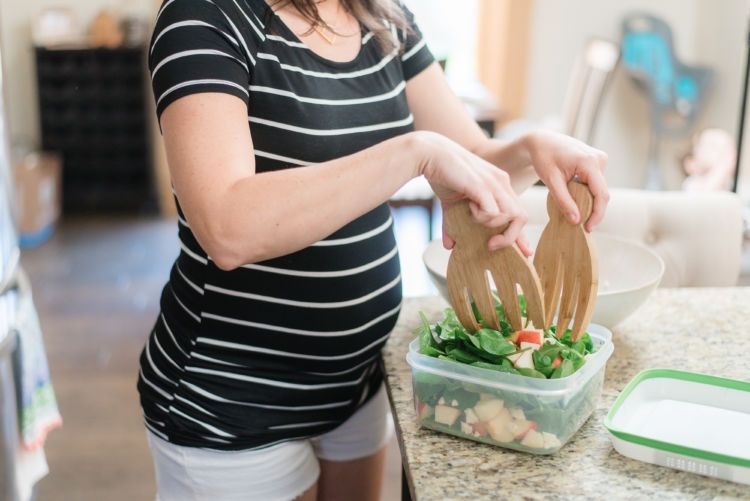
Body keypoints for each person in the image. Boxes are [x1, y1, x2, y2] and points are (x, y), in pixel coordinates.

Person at [137, 0, 610, 500]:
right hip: (232, 400)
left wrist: (530, 149)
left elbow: (471, 164)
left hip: (357, 380)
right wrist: (415, 152)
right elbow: (227, 228)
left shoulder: (382, 15)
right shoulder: (203, 17)